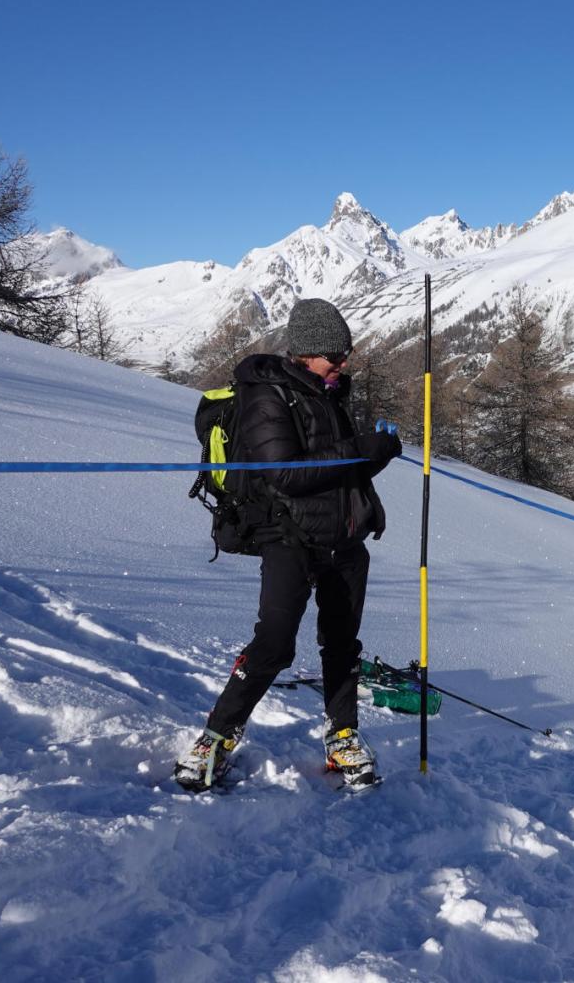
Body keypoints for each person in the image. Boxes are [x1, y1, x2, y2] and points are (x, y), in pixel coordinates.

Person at [174, 298, 400, 791]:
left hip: (344, 537)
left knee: (341, 643)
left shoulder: (327, 390)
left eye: (346, 353)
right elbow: (285, 473)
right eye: (334, 356)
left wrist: (372, 455)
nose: (344, 363)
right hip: (289, 536)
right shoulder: (267, 396)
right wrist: (365, 449)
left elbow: (335, 468)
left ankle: (343, 734)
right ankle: (216, 736)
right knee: (274, 644)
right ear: (305, 353)